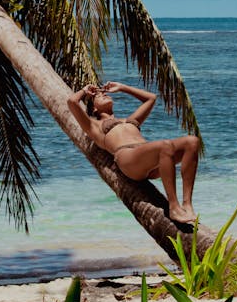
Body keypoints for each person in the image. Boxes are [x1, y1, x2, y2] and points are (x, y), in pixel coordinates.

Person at [67, 81, 200, 224]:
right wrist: (85, 90)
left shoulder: (130, 120)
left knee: (191, 142)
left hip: (150, 160)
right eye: (99, 96)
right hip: (128, 159)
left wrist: (123, 87)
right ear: (94, 109)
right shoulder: (94, 126)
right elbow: (72, 102)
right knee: (165, 145)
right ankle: (173, 207)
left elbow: (151, 98)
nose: (103, 94)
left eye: (104, 93)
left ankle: (187, 204)